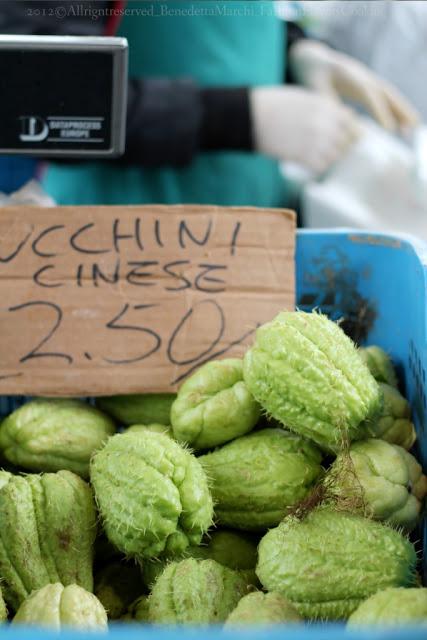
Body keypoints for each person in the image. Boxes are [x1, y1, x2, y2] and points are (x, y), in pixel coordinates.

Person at [0, 0, 419, 207]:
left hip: (248, 231)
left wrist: (296, 51)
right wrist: (243, 118)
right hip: (115, 243)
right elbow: (39, 93)